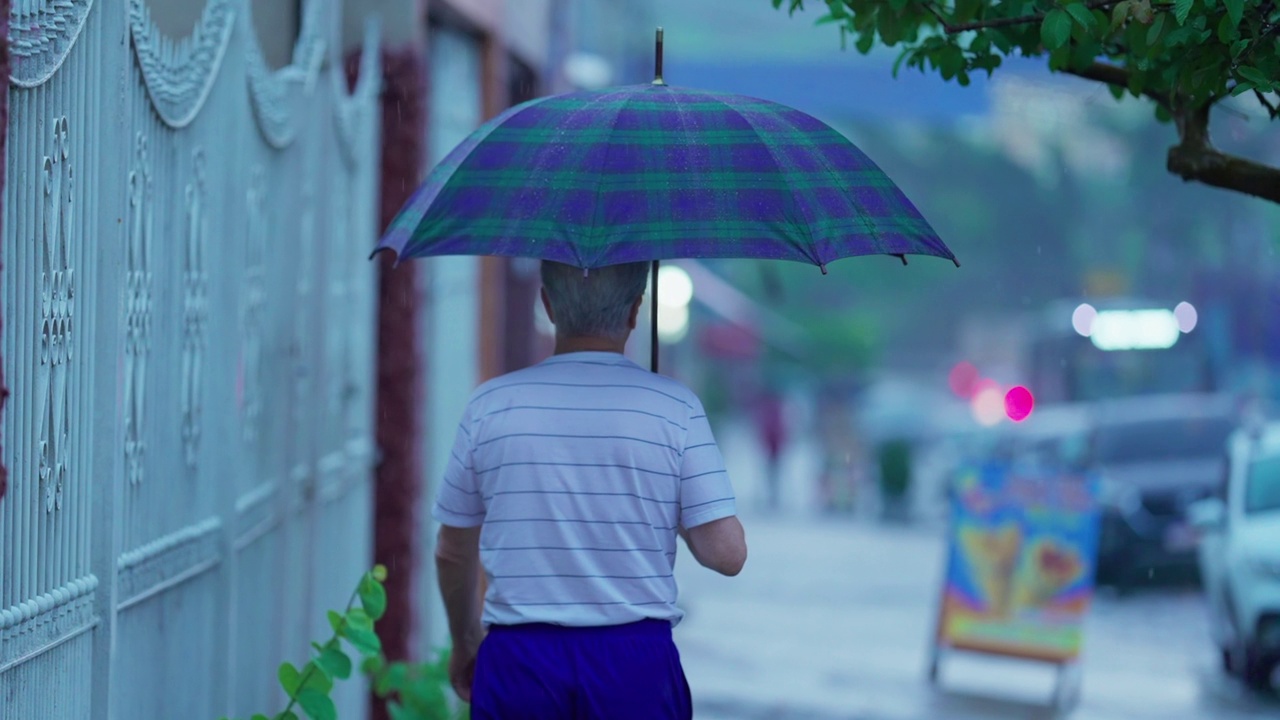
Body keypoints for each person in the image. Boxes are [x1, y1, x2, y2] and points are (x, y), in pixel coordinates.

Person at [432, 260, 748, 720]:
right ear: (636, 310)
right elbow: (726, 554)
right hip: (634, 667)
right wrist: (666, 494)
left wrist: (464, 644)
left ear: (547, 304)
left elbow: (452, 550)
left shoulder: (491, 406)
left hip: (520, 661)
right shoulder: (674, 408)